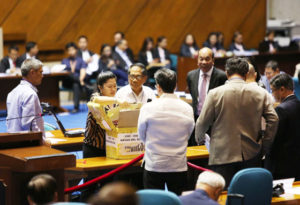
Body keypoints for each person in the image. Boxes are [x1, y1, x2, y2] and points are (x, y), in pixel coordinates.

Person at [195, 57, 278, 186]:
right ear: (246, 74)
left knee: (223, 196)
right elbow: (273, 119)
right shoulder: (260, 93)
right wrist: (265, 145)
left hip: (222, 154)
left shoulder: (215, 93)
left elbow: (202, 123)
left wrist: (200, 139)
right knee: (250, 194)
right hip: (252, 153)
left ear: (227, 73)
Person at [138, 68, 195, 195]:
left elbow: (141, 135)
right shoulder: (187, 108)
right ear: (175, 85)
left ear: (157, 86)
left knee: (153, 202)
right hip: (178, 164)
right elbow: (188, 134)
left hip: (154, 163)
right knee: (178, 201)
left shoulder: (148, 108)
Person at [266, 74, 300, 180]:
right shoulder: (298, 103)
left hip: (283, 166)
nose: (272, 95)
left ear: (282, 89)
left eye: (272, 91)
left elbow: (275, 139)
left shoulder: (281, 109)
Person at [186, 47, 227, 120]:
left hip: (214, 120)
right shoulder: (191, 76)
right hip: (196, 118)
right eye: (201, 59)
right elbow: (194, 96)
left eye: (207, 59)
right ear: (197, 60)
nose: (204, 62)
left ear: (213, 60)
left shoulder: (222, 76)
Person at [84, 71, 117, 158]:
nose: (113, 89)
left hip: (111, 146)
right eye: (109, 87)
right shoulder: (95, 97)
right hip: (93, 147)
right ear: (100, 87)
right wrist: (118, 101)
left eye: (115, 86)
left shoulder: (116, 100)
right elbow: (95, 100)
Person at [6, 58, 44, 134]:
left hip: (12, 137)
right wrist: (42, 141)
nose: (42, 76)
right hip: (28, 141)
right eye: (40, 72)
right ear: (32, 72)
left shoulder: (12, 92)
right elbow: (28, 124)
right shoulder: (30, 94)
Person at [62, 42, 87, 113]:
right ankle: (84, 85)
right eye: (69, 50)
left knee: (76, 85)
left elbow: (83, 71)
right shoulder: (65, 60)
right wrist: (81, 81)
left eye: (72, 49)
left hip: (77, 82)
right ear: (67, 51)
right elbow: (63, 73)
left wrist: (81, 79)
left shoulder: (80, 60)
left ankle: (76, 108)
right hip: (67, 81)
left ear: (76, 50)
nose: (71, 52)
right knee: (69, 74)